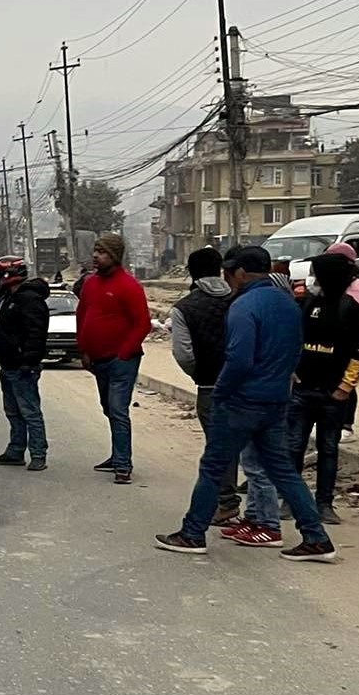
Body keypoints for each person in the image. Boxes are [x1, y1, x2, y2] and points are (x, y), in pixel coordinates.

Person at [155, 245, 336, 562]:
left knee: (213, 466)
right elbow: (296, 351)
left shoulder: (243, 306)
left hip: (241, 400)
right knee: (282, 470)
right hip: (276, 398)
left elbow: (238, 358)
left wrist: (222, 392)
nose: (227, 278)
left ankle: (192, 533)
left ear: (239, 272)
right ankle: (316, 537)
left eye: (229, 272)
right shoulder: (288, 304)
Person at [285, 251, 359, 525]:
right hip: (302, 390)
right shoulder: (308, 304)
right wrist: (293, 372)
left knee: (328, 449)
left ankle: (324, 503)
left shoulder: (350, 309)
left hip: (333, 394)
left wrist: (345, 387)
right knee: (293, 447)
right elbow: (292, 341)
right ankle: (291, 499)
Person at [169, 247, 242, 523]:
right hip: (243, 384)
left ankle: (224, 503)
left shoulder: (184, 308)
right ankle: (260, 511)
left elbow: (183, 353)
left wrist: (199, 374)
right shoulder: (238, 299)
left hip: (210, 387)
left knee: (216, 446)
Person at [75, 233, 151, 484]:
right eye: (96, 251)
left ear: (115, 256)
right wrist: (83, 349)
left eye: (103, 252)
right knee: (108, 408)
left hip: (122, 360)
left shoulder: (128, 285)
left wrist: (123, 353)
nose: (96, 256)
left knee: (118, 409)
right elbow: (83, 314)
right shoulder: (90, 283)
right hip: (97, 359)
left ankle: (123, 465)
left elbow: (142, 324)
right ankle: (117, 454)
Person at [0, 257, 51, 471]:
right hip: (9, 365)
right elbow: (9, 327)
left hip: (23, 367)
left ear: (8, 276)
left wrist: (29, 361)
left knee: (30, 411)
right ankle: (16, 450)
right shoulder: (11, 298)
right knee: (13, 411)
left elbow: (36, 333)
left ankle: (38, 453)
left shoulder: (29, 299)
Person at [326, 241, 359, 436]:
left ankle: (347, 423)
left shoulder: (354, 284)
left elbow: (351, 311)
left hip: (347, 338)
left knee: (347, 381)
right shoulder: (334, 281)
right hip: (333, 338)